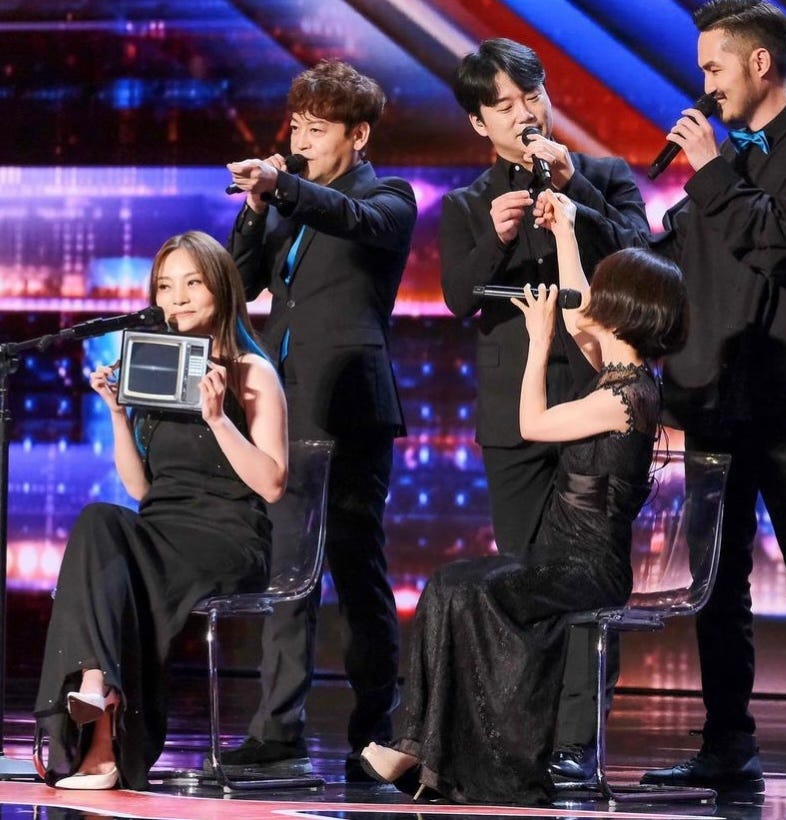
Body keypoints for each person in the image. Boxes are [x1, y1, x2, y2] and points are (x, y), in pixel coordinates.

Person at [359, 189, 689, 804]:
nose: (588, 298)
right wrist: (564, 230)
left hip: (588, 567)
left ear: (624, 312)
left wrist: (537, 342)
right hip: (559, 555)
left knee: (475, 593)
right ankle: (423, 746)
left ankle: (462, 755)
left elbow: (533, 423)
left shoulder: (625, 398)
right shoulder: (617, 375)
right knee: (448, 583)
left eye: (603, 291)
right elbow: (577, 313)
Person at [638, 0, 786, 804]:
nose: (704, 84)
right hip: (715, 390)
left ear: (759, 63)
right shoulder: (727, 160)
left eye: (713, 68)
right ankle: (726, 746)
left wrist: (713, 172)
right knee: (717, 577)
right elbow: (672, 253)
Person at [439, 37, 650, 780]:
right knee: (527, 577)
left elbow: (642, 257)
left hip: (598, 405)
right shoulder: (468, 204)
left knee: (585, 574)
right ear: (479, 122)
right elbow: (457, 296)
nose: (524, 112)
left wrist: (576, 192)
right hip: (516, 413)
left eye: (532, 95)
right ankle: (523, 739)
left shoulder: (606, 176)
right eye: (504, 105)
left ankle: (575, 744)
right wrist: (496, 243)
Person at [33, 231, 289, 791]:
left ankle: (103, 738)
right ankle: (99, 690)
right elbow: (142, 488)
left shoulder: (251, 371)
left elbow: (272, 484)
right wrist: (117, 413)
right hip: (163, 531)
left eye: (192, 283)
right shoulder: (159, 368)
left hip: (227, 537)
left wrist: (217, 418)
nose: (178, 298)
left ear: (221, 288)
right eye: (166, 287)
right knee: (99, 520)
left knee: (122, 573)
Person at [224, 59, 417, 782]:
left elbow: (351, 219)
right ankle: (277, 732)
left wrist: (285, 189)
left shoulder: (389, 196)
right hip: (284, 403)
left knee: (357, 570)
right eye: (296, 128)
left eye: (317, 129)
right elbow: (241, 282)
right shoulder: (284, 202)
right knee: (288, 569)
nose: (300, 142)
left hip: (353, 407)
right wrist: (255, 207)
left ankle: (374, 734)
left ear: (357, 135)